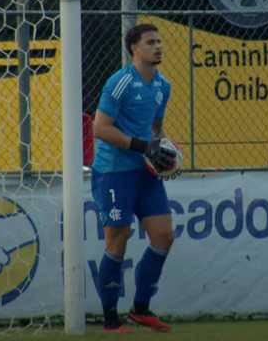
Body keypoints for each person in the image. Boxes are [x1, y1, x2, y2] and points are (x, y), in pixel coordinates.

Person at [91, 23, 177, 333]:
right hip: (114, 172)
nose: (158, 47)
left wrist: (168, 152)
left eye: (159, 41)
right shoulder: (120, 82)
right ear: (134, 49)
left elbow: (155, 130)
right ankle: (110, 319)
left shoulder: (162, 85)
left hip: (144, 172)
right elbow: (99, 128)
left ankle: (141, 309)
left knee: (164, 235)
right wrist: (143, 147)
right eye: (151, 42)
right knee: (118, 238)